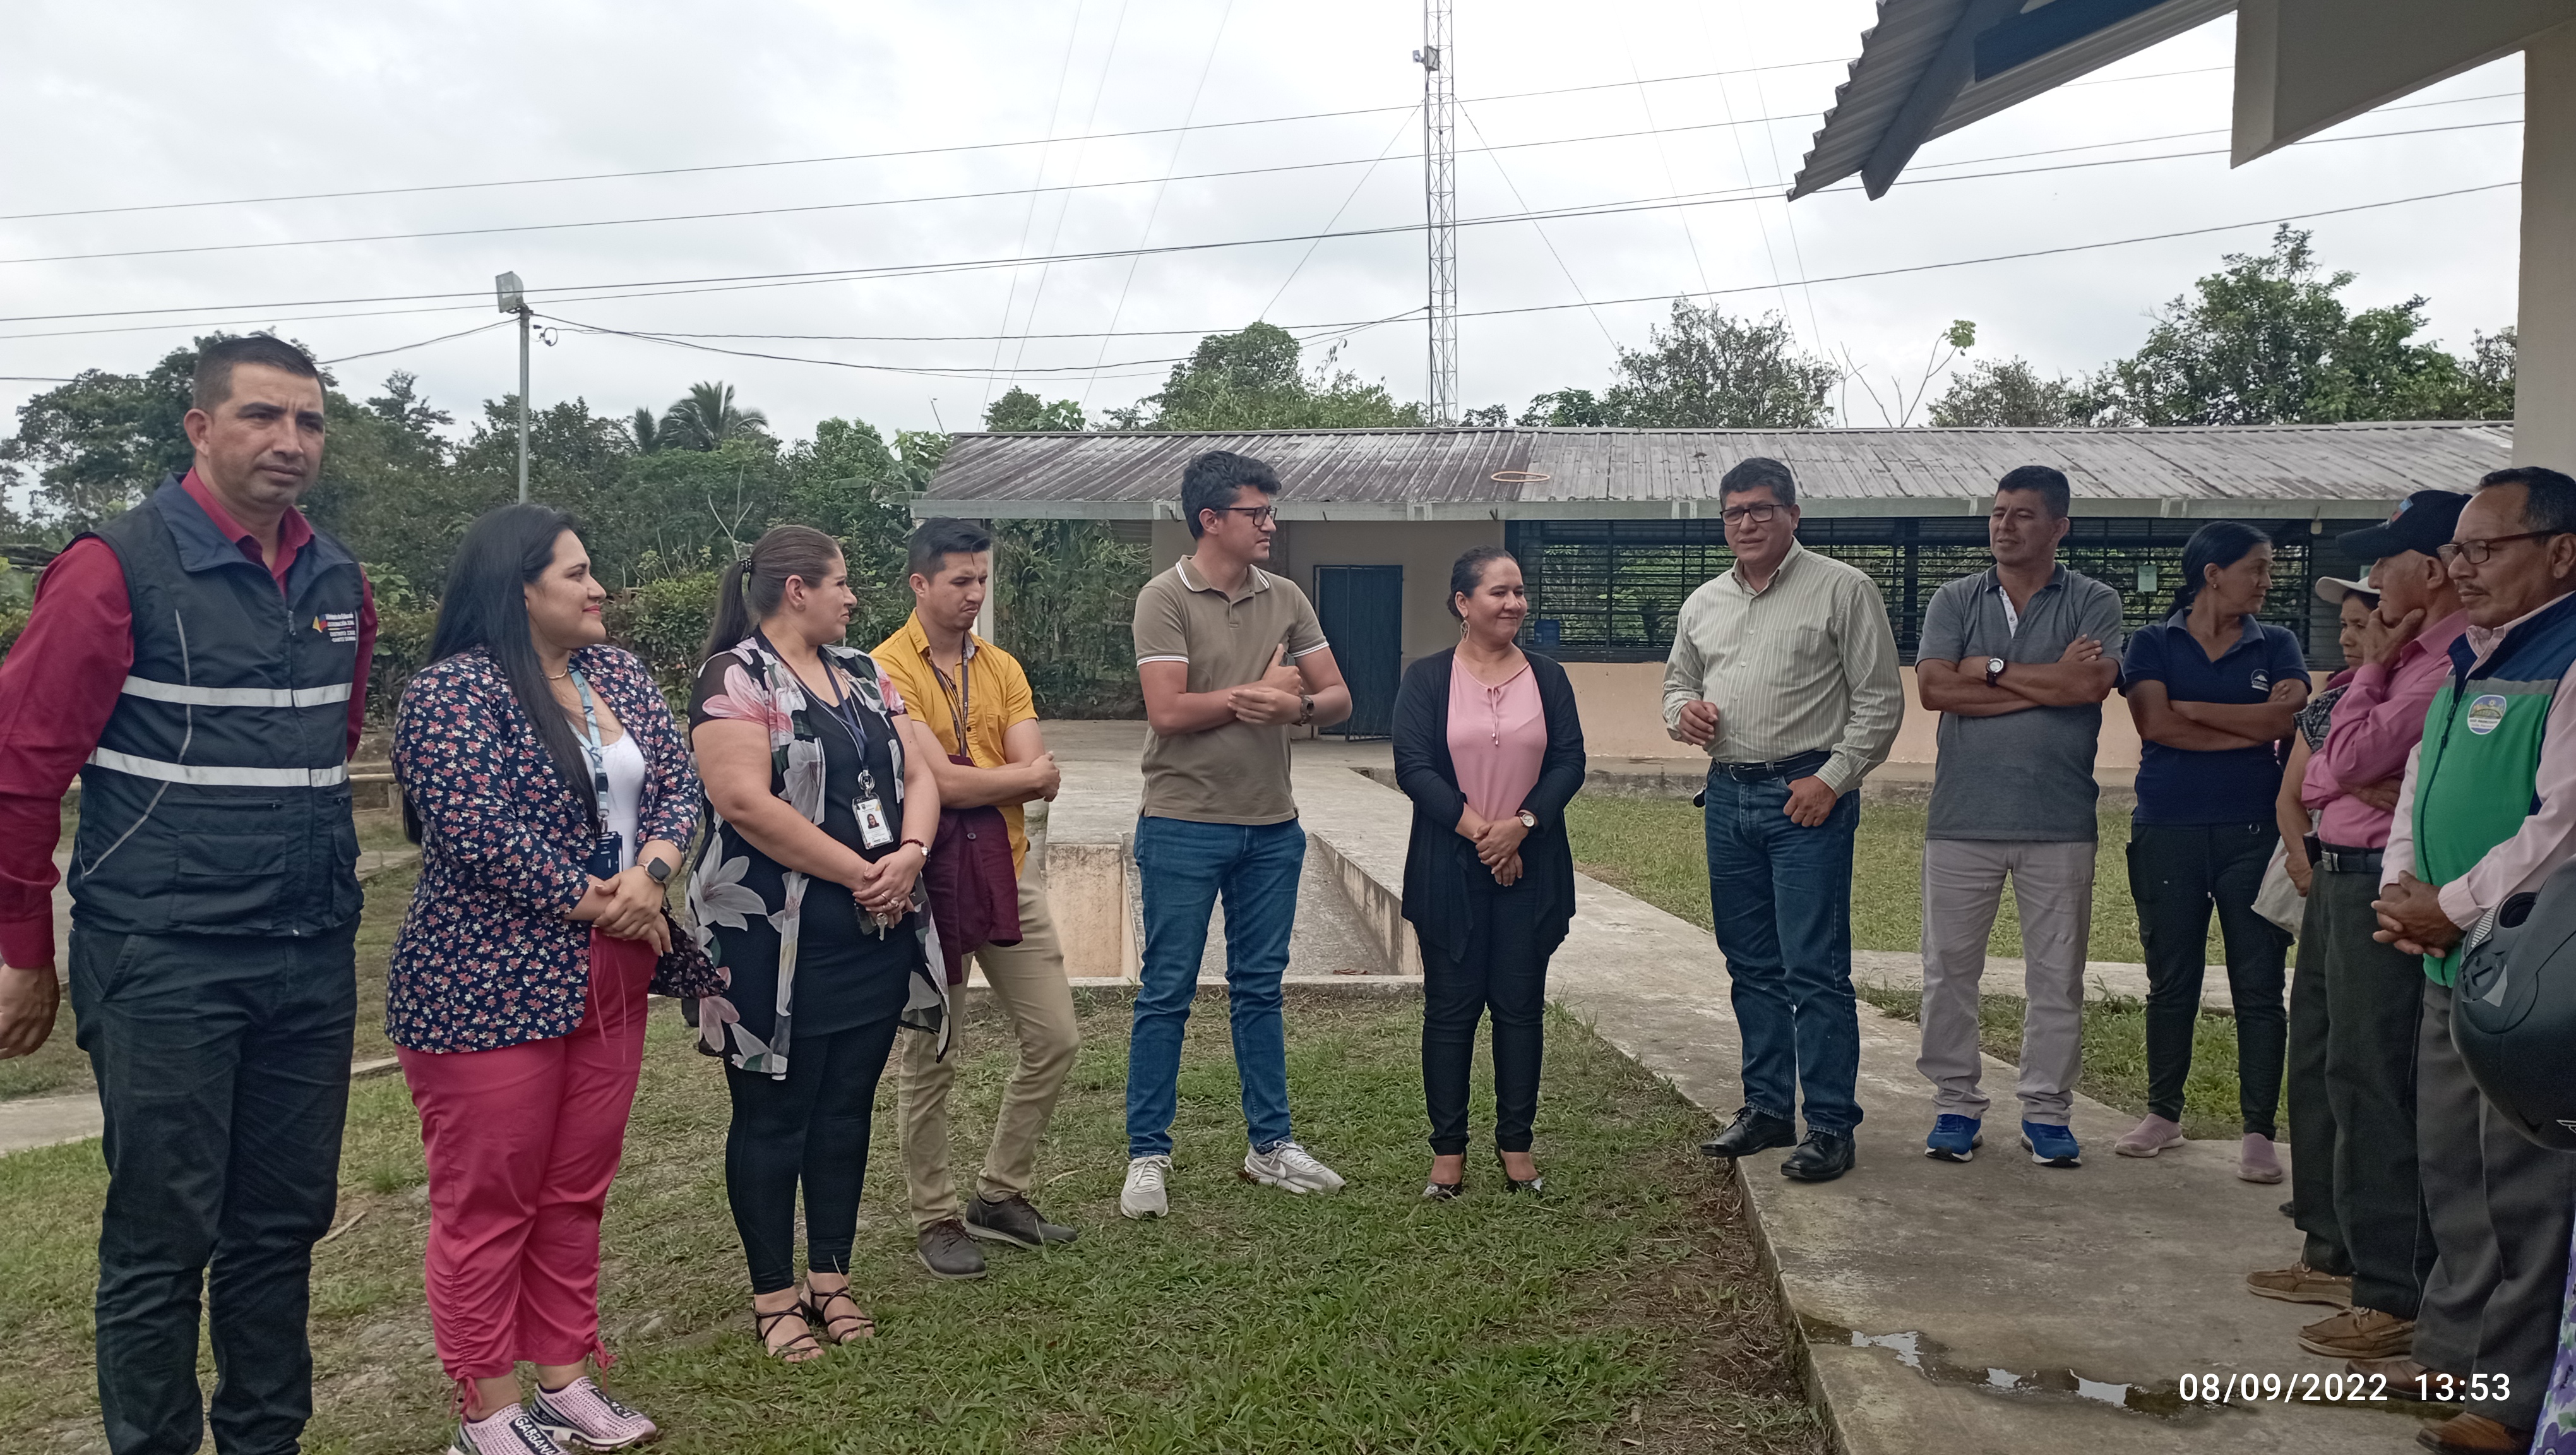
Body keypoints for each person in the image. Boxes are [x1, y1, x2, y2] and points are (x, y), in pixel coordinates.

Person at [0, 336, 374, 1455]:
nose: (290, 441)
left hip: (308, 954)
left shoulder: (339, 580)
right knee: (163, 1236)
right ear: (200, 429)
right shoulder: (112, 569)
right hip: (165, 958)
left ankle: (266, 1440)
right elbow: (21, 769)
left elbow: (329, 752)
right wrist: (24, 947)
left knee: (281, 1226)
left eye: (309, 421)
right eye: (263, 415)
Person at [390, 504, 709, 1455]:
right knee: (489, 1203)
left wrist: (652, 873)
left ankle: (565, 1380)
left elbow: (678, 785)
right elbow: (475, 827)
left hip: (612, 969)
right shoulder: (452, 693)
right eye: (576, 574)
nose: (598, 588)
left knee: (575, 1191)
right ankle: (488, 1411)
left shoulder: (619, 674)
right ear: (519, 587)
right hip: (484, 979)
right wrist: (601, 900)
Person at [688, 525, 948, 1360]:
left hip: (872, 929)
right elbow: (743, 801)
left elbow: (921, 774)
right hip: (769, 940)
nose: (853, 597)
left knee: (843, 1111)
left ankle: (831, 1278)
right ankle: (774, 1297)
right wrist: (863, 872)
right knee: (774, 1116)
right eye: (841, 582)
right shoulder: (734, 676)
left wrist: (909, 854)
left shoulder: (866, 673)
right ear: (796, 589)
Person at [2372, 467, 2576, 1454]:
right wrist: (2404, 889)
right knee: (2453, 1166)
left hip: (2533, 981)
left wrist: (2452, 907)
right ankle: (2451, 1351)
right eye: (2457, 550)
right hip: (2453, 964)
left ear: (2562, 552)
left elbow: (2563, 822)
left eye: (2485, 549)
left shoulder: (2569, 658)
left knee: (2526, 1186)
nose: (2462, 567)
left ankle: (2509, 1397)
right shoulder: (2471, 655)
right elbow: (2422, 781)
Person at [2251, 491, 2469, 1375]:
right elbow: (2324, 778)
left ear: (2435, 568)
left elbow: (2342, 758)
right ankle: (2335, 1249)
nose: (2374, 580)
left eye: (2387, 562)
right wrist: (2357, 745)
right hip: (2340, 874)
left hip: (2387, 881)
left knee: (2377, 1076)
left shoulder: (2444, 662)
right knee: (2330, 1064)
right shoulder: (2400, 661)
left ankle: (2391, 1291)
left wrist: (2370, 689)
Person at [1120, 449, 1353, 1219]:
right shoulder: (1164, 597)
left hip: (1272, 828)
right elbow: (1168, 712)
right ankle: (1148, 1155)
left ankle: (1270, 1146)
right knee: (1166, 992)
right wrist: (1258, 693)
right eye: (1257, 513)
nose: (1271, 526)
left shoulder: (1285, 596)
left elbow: (1338, 698)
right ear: (1211, 519)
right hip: (1182, 824)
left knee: (1260, 990)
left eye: (1271, 512)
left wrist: (1296, 708)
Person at [1668, 457, 1904, 1185]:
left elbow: (1880, 701)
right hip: (1727, 796)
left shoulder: (1843, 589)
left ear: (1792, 515)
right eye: (1733, 512)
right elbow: (1677, 685)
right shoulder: (1704, 602)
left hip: (1806, 798)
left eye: (1760, 509)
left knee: (1814, 968)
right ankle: (1768, 1108)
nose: (1746, 523)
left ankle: (1830, 1124)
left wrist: (1832, 781)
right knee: (1750, 964)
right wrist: (1684, 715)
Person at [873, 518, 1080, 1279]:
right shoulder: (884, 670)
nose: (975, 594)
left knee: (1055, 1037)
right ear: (919, 583)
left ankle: (1000, 1193)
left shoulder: (1001, 667)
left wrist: (986, 780)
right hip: (929, 885)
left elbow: (1034, 770)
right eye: (960, 580)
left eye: (982, 579)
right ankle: (934, 1214)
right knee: (934, 1050)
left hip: (1007, 873)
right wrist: (1007, 780)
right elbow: (945, 784)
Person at [1909, 466, 2123, 1170]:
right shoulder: (1955, 598)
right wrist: (2047, 681)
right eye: (1999, 513)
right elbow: (1935, 689)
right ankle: (1955, 1105)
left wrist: (1991, 670)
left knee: (2057, 977)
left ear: (2059, 527)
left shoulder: (2094, 600)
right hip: (1961, 818)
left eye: (2023, 515)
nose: (2005, 526)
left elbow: (2091, 684)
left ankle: (2047, 1112)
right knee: (1948, 972)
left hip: (2059, 821)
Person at [2114, 520, 2309, 1177]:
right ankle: (2163, 1114)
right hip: (2167, 828)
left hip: (2253, 833)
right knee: (2172, 981)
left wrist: (2193, 710)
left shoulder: (2277, 643)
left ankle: (2259, 1131)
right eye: (2258, 567)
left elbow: (2288, 722)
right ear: (2213, 573)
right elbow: (2154, 723)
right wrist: (2251, 729)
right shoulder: (2152, 641)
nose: (2267, 580)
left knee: (2259, 985)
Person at [1391, 546, 1587, 1197]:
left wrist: (1520, 827)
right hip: (1450, 865)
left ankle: (1516, 1146)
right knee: (1451, 1010)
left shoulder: (1548, 678)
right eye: (1499, 592)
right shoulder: (1427, 679)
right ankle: (1448, 1153)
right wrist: (1485, 835)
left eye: (1519, 592)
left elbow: (1569, 762)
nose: (1514, 604)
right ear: (1463, 603)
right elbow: (1414, 767)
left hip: (1533, 863)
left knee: (1519, 1008)